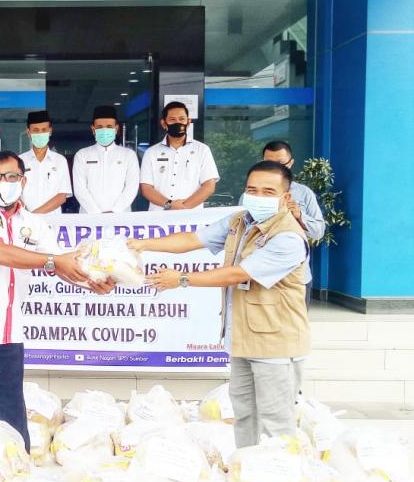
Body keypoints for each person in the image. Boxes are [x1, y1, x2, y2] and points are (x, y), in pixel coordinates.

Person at [0, 151, 115, 454]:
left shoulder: (33, 223)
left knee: (11, 406)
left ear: (23, 181)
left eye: (11, 176)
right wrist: (55, 260)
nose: (3, 183)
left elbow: (59, 264)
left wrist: (91, 281)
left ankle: (17, 465)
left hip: (9, 329)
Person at [128, 161, 310, 448]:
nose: (258, 197)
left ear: (286, 197)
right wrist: (143, 244)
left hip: (276, 341)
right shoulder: (241, 221)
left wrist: (182, 279)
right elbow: (193, 239)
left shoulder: (287, 237)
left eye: (268, 191)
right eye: (252, 189)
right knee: (244, 411)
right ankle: (249, 470)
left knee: (276, 419)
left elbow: (240, 273)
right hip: (243, 337)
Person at [258, 140, 325, 305]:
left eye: (280, 163)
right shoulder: (252, 194)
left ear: (291, 163)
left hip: (296, 278)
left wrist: (300, 215)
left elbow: (318, 231)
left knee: (295, 329)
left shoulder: (304, 193)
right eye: (269, 163)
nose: (274, 169)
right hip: (261, 276)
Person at [140, 101, 219, 211]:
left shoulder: (202, 150)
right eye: (172, 120)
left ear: (188, 122)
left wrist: (184, 207)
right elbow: (146, 188)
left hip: (192, 218)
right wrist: (169, 205)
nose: (178, 123)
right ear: (164, 123)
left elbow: (209, 186)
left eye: (182, 119)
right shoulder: (151, 152)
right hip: (158, 218)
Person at [72, 105, 140, 214]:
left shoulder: (128, 155)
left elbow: (132, 187)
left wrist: (115, 211)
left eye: (109, 126)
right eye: (99, 127)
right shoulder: (82, 155)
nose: (104, 130)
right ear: (93, 129)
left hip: (121, 217)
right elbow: (80, 189)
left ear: (116, 129)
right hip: (89, 218)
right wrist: (96, 213)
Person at [18, 110, 72, 214]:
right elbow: (15, 194)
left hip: (54, 221)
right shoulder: (19, 160)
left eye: (44, 130)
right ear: (29, 133)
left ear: (50, 131)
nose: (40, 133)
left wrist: (34, 216)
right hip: (25, 221)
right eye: (36, 130)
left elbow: (62, 196)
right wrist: (27, 215)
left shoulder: (60, 161)